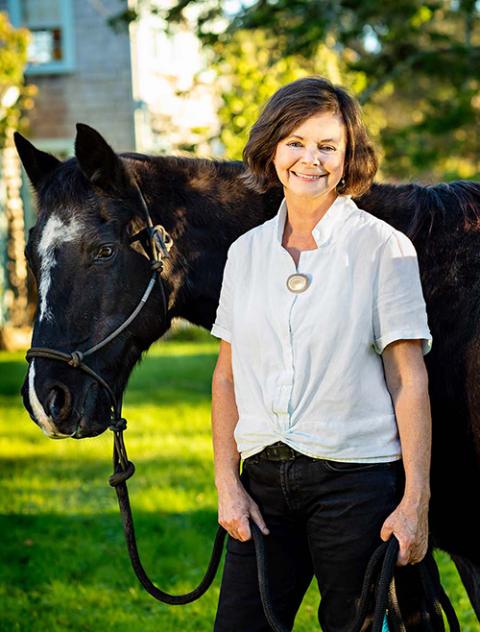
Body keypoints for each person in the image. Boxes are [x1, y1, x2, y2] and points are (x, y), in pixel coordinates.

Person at [210, 76, 432, 632]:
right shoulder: (245, 254)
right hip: (261, 485)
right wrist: (227, 485)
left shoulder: (384, 248)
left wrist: (414, 502)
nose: (310, 159)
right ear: (272, 149)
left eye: (328, 146)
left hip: (355, 485)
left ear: (348, 155)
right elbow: (227, 379)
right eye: (296, 142)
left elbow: (409, 381)